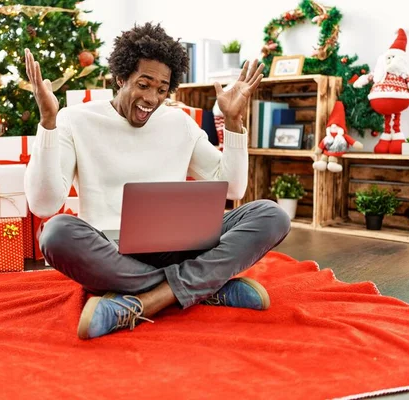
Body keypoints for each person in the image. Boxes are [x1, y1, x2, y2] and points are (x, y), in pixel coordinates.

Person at [24, 23, 291, 340]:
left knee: (270, 215)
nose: (151, 98)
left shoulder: (178, 121)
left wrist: (233, 122)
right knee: (55, 233)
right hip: (113, 254)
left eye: (162, 89)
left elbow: (233, 188)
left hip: (179, 246)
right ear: (122, 78)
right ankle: (204, 288)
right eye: (143, 84)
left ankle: (150, 300)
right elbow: (44, 203)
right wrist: (48, 124)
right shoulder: (74, 119)